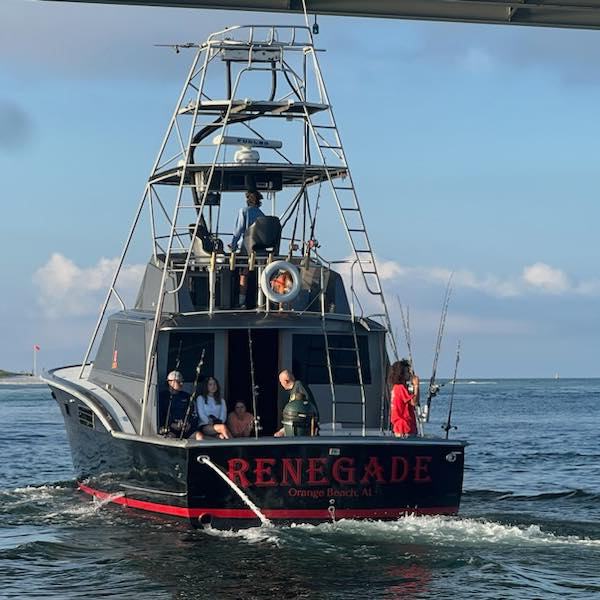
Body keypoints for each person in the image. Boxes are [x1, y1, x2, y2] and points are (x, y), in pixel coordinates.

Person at [228, 190, 265, 308]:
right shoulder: (262, 215)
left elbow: (238, 231)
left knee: (243, 274)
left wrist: (233, 247)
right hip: (260, 251)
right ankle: (260, 301)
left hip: (247, 249)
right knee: (259, 274)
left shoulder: (243, 211)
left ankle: (241, 302)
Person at [274, 369, 319, 437]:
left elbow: (305, 410)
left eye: (281, 381)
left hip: (304, 429)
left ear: (286, 381)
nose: (280, 384)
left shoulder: (299, 386)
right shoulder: (293, 390)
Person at [159, 370, 203, 440]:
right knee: (169, 438)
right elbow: (159, 415)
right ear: (170, 382)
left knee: (199, 436)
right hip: (171, 429)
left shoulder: (187, 396)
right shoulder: (162, 397)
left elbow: (194, 414)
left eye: (182, 381)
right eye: (179, 382)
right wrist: (171, 424)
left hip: (186, 429)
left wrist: (190, 424)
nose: (182, 383)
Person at [389, 359, 419, 437]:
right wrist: (416, 386)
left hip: (400, 426)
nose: (409, 374)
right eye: (407, 372)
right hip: (404, 427)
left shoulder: (396, 388)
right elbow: (414, 402)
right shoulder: (400, 388)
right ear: (401, 374)